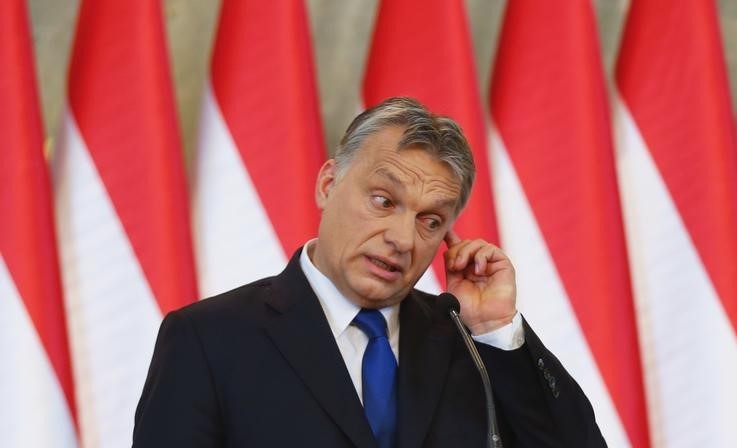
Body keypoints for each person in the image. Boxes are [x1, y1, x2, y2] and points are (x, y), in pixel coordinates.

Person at [132, 97, 606, 447]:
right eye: (384, 201)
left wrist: (495, 331)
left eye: (430, 221)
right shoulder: (209, 339)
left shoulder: (468, 343)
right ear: (328, 183)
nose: (402, 238)